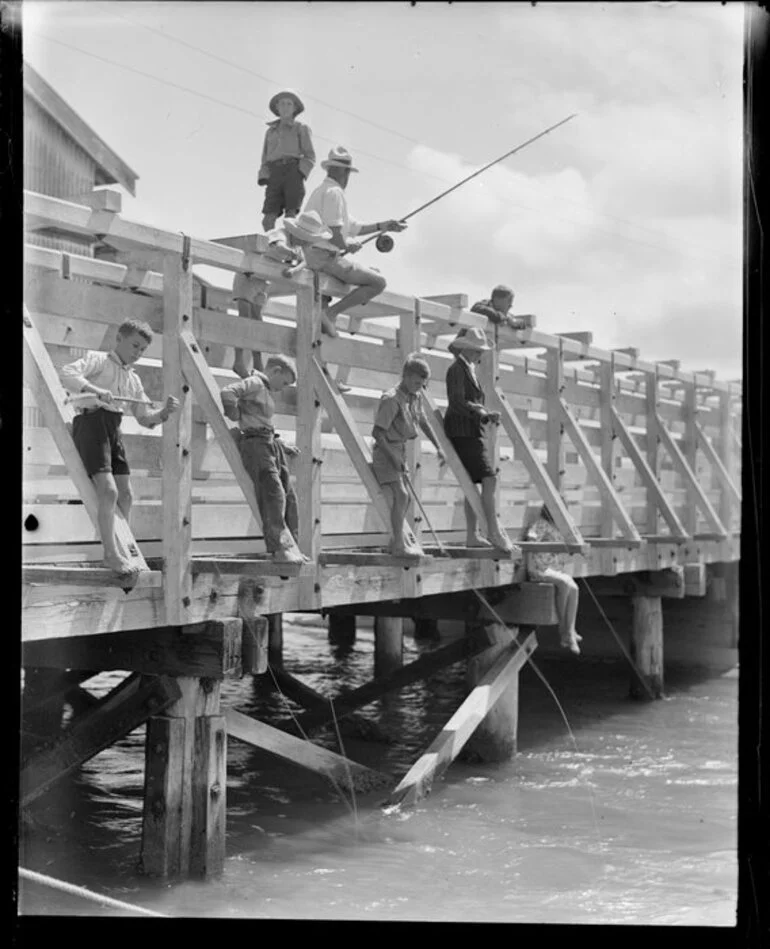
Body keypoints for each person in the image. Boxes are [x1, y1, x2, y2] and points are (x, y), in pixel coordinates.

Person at [59, 319, 179, 576]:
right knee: (109, 492)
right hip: (92, 424)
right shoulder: (98, 360)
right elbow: (67, 373)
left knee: (127, 495)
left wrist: (165, 413)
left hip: (114, 429)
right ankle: (110, 554)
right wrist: (96, 390)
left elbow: (145, 417)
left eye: (142, 350)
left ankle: (122, 547)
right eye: (134, 345)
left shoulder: (133, 379)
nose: (137, 353)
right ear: (119, 339)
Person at [302, 146, 406, 333]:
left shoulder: (323, 190)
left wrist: (384, 226)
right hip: (324, 258)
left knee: (368, 272)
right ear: (343, 172)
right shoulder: (335, 193)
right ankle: (330, 314)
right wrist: (348, 244)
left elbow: (353, 227)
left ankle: (326, 314)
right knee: (378, 281)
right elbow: (336, 236)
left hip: (314, 255)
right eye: (348, 172)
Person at [220, 354, 309, 564]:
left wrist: (281, 443)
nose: (283, 388)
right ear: (276, 371)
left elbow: (263, 420)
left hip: (269, 442)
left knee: (289, 495)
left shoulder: (265, 390)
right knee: (273, 493)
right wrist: (233, 414)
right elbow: (228, 392)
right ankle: (279, 548)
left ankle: (292, 546)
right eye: (284, 382)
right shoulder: (255, 383)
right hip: (256, 444)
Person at [231, 211, 338, 378]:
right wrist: (292, 255)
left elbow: (304, 262)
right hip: (247, 277)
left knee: (258, 323)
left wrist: (293, 269)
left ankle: (258, 364)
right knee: (245, 318)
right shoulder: (281, 235)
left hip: (261, 283)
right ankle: (239, 361)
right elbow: (278, 246)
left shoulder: (298, 247)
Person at [443, 326, 514, 554]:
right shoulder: (457, 369)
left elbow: (467, 402)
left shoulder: (467, 369)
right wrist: (480, 412)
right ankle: (492, 532)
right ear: (468, 349)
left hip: (469, 431)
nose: (480, 354)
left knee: (471, 482)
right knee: (489, 478)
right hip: (461, 432)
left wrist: (484, 412)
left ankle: (473, 535)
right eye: (477, 350)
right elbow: (456, 402)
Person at [372, 355, 445, 558]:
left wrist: (438, 446)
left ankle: (396, 540)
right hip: (385, 451)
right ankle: (398, 545)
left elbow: (422, 421)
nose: (418, 387)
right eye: (415, 382)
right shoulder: (391, 398)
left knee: (407, 497)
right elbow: (377, 434)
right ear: (405, 376)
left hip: (400, 450)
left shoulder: (416, 395)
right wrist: (393, 458)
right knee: (402, 495)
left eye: (422, 384)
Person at [522, 504, 582, 655]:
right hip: (540, 568)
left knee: (574, 588)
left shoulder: (557, 526)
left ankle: (570, 630)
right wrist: (530, 568)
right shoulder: (541, 523)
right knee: (564, 584)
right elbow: (530, 542)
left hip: (553, 569)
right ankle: (565, 631)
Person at [258, 89, 315, 232]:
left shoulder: (300, 128)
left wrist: (299, 172)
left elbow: (310, 155)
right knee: (268, 219)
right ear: (277, 108)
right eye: (282, 104)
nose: (285, 107)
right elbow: (265, 157)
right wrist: (265, 175)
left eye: (289, 104)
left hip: (293, 170)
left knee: (290, 217)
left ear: (295, 108)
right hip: (274, 173)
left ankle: (288, 247)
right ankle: (271, 246)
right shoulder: (271, 131)